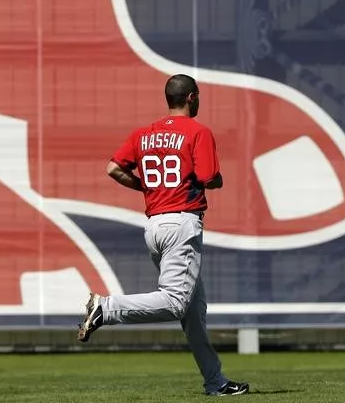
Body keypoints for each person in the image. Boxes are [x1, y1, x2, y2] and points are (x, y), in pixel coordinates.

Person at [76, 74, 250, 396]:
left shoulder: (144, 134)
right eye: (197, 97)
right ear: (192, 98)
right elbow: (209, 176)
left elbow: (113, 168)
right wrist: (217, 181)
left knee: (193, 313)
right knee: (174, 302)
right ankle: (106, 308)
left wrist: (146, 185)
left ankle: (216, 382)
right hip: (181, 223)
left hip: (155, 224)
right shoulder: (198, 131)